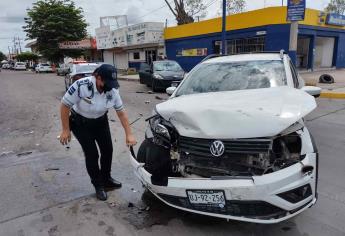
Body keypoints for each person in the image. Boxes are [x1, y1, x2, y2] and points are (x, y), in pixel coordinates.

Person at [59, 64, 137, 201]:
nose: (110, 86)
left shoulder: (112, 90)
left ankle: (106, 179)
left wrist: (129, 134)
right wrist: (66, 130)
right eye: (107, 82)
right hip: (80, 123)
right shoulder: (81, 85)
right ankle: (98, 185)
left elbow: (121, 113)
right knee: (92, 154)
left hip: (100, 121)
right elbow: (65, 105)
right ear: (98, 78)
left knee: (108, 150)